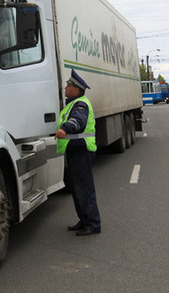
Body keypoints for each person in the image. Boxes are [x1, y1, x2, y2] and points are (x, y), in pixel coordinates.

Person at [55, 69, 101, 236]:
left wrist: (64, 129)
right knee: (77, 188)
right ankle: (84, 220)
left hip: (82, 151)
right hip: (75, 151)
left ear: (76, 88)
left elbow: (78, 122)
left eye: (68, 84)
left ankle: (93, 224)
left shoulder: (80, 104)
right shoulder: (73, 103)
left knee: (85, 189)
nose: (66, 87)